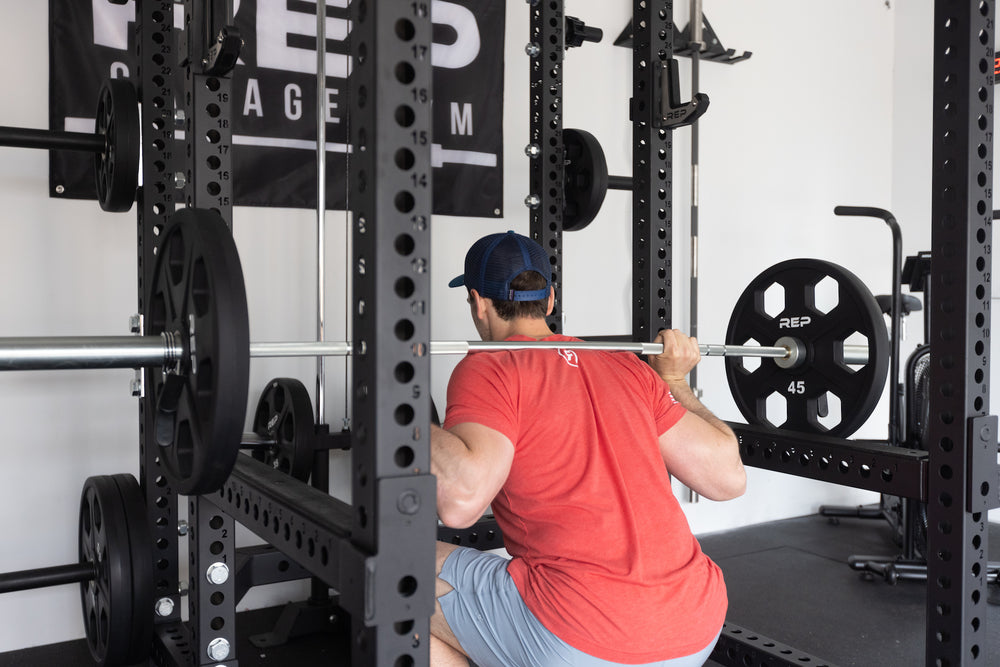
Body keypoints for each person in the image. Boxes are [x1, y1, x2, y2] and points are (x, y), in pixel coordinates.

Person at [430, 231, 746, 666]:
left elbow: (460, 504)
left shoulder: (491, 364)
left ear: (477, 302)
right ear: (550, 300)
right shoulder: (625, 366)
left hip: (580, 639)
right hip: (696, 628)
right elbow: (729, 476)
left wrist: (405, 419)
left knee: (396, 569)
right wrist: (674, 382)